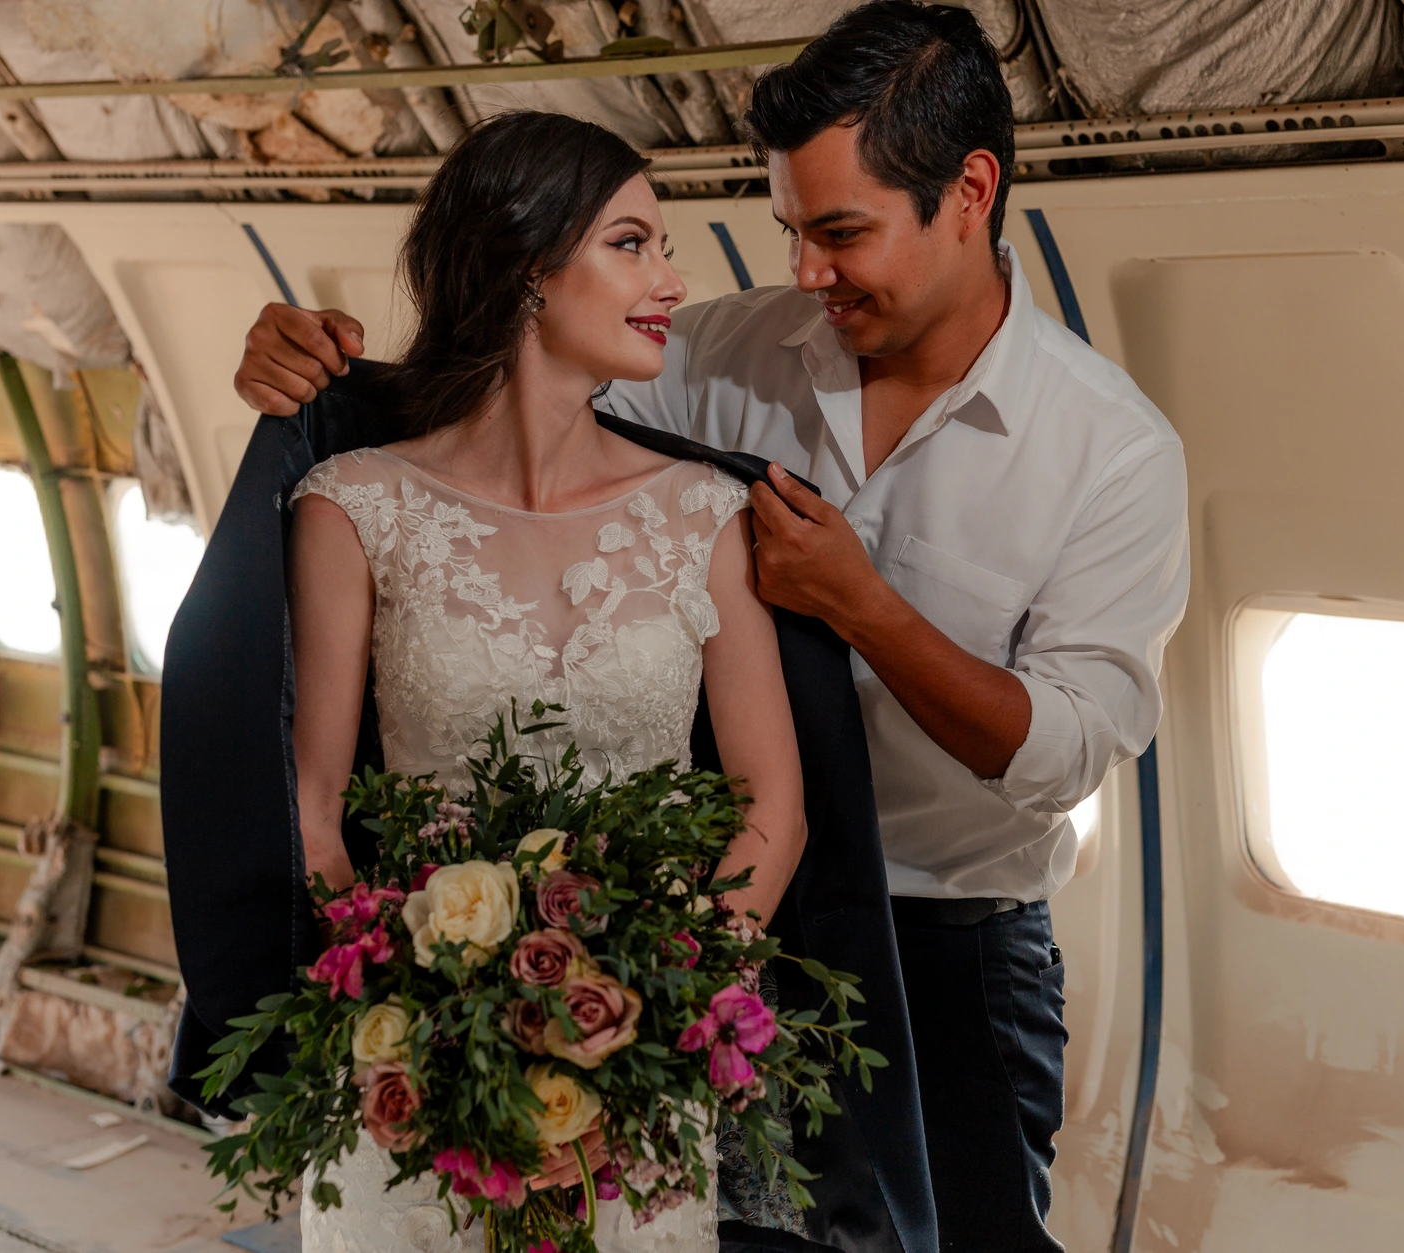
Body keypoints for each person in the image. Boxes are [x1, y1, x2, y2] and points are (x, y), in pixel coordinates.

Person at [235, 4, 1190, 1249]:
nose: (803, 271)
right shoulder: (720, 355)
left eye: (841, 233)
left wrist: (862, 606)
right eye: (792, 230)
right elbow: (507, 385)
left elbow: (1062, 750)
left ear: (968, 193)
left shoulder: (1109, 451)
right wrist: (305, 367)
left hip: (933, 944)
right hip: (668, 925)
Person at [283, 110, 810, 1252]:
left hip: (640, 1072)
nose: (670, 278)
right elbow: (317, 803)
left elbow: (773, 799)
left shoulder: (702, 517)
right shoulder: (354, 507)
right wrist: (415, 1000)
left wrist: (663, 1002)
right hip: (419, 1065)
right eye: (633, 243)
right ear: (528, 267)